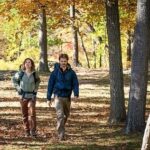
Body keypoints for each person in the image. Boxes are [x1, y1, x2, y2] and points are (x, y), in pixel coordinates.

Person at [47, 53, 79, 141]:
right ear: (59, 61)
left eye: (65, 61)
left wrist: (76, 94)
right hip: (58, 96)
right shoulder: (55, 72)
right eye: (61, 61)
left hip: (67, 97)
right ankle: (61, 135)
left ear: (67, 61)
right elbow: (50, 85)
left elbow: (75, 83)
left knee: (66, 115)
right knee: (60, 115)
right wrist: (48, 98)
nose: (63, 63)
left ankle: (59, 126)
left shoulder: (71, 73)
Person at [12, 58, 40, 137]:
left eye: (29, 62)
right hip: (23, 96)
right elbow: (14, 80)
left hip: (32, 96)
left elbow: (38, 81)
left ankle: (33, 131)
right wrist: (18, 89)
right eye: (26, 62)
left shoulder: (35, 73)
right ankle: (27, 131)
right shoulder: (20, 73)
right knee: (24, 115)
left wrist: (36, 89)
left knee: (32, 113)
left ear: (32, 64)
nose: (27, 64)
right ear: (24, 64)